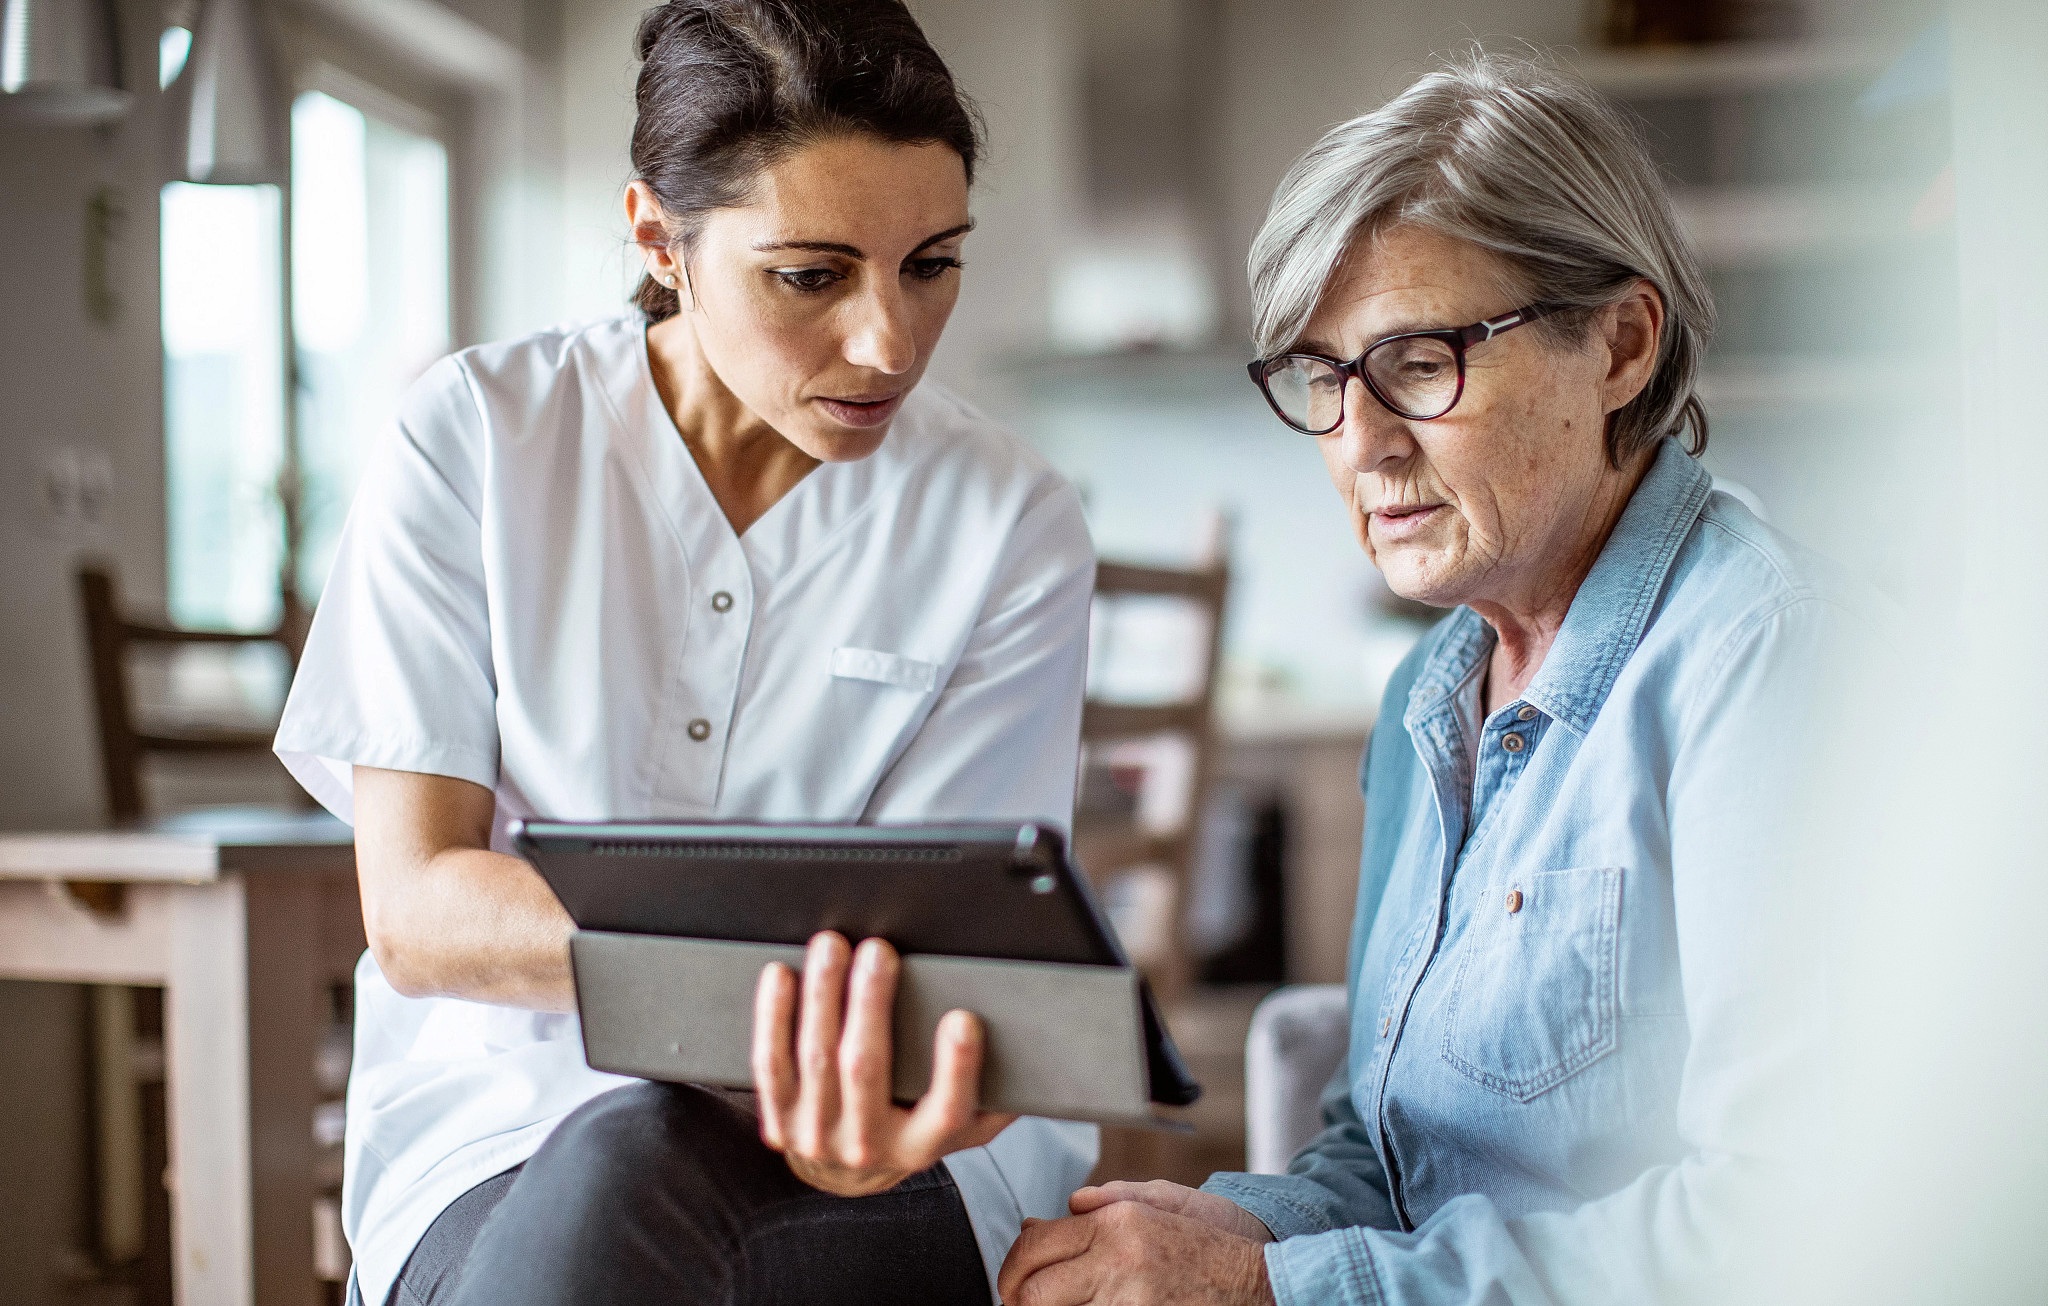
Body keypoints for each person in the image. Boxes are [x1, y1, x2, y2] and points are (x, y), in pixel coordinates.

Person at [1000, 51, 1865, 1306]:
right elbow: (1393, 1156)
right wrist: (1220, 1230)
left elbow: (1789, 1229)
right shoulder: (1430, 699)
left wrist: (1268, 1289)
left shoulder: (1769, 661)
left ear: (1620, 345)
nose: (1357, 444)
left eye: (1417, 361)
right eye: (1320, 376)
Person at [273, 2, 1100, 1303]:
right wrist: (811, 962)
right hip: (492, 1136)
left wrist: (847, 1013)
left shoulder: (1011, 519)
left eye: (933, 263)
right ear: (661, 240)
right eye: (812, 275)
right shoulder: (476, 440)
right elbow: (423, 907)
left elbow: (960, 964)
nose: (888, 341)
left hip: (882, 1146)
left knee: (633, 1169)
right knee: (621, 1159)